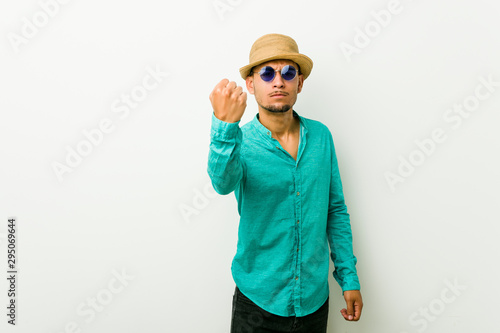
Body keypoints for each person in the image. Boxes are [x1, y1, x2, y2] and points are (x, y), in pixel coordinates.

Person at [207, 33, 363, 333]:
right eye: (267, 73)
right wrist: (225, 126)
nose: (278, 81)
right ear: (251, 84)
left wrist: (349, 278)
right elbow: (222, 184)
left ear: (299, 83)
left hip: (313, 302)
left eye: (288, 72)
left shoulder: (321, 137)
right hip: (257, 304)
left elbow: (335, 211)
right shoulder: (240, 142)